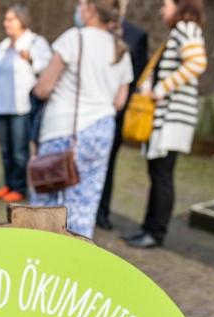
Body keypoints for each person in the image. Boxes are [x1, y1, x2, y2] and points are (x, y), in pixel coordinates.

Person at [28, 0, 131, 238]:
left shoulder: (75, 38)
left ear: (92, 9)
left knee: (46, 203)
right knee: (84, 204)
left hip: (65, 130)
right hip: (101, 131)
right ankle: (76, 263)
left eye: (82, 3)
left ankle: (38, 258)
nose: (79, 6)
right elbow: (119, 101)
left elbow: (43, 88)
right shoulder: (120, 48)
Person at [124, 0, 206, 249]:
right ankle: (149, 228)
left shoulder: (186, 28)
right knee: (158, 173)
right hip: (167, 119)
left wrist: (160, 89)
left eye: (166, 5)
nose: (162, 10)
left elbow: (197, 63)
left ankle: (155, 232)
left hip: (171, 119)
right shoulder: (180, 31)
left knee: (161, 175)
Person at [0, 5, 50, 203]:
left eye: (10, 19)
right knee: (5, 149)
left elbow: (46, 71)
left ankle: (20, 187)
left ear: (22, 21)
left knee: (20, 150)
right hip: (2, 105)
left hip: (21, 107)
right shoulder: (2, 47)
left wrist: (31, 59)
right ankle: (9, 183)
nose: (6, 23)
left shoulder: (35, 42)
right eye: (5, 19)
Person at [95, 17, 147, 230]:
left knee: (107, 166)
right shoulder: (84, 31)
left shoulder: (136, 36)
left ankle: (102, 211)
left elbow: (137, 77)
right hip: (84, 114)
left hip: (113, 115)